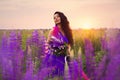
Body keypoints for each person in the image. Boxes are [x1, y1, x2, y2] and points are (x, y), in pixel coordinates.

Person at [47, 11, 73, 78]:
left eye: (58, 16)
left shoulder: (67, 31)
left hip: (64, 58)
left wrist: (67, 50)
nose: (56, 18)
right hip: (54, 58)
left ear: (62, 17)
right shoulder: (53, 30)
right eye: (54, 18)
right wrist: (53, 51)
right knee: (56, 76)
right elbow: (47, 45)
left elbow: (69, 44)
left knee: (66, 75)